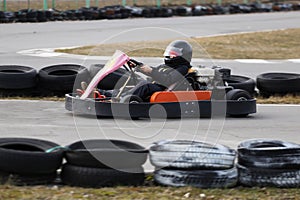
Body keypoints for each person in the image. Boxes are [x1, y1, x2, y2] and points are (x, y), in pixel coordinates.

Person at [124, 40, 193, 102]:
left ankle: (125, 99)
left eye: (173, 54)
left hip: (164, 90)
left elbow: (168, 80)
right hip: (155, 86)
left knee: (146, 86)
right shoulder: (164, 66)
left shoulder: (182, 68)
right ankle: (119, 95)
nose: (170, 56)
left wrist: (151, 71)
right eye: (170, 53)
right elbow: (154, 72)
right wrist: (140, 67)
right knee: (141, 83)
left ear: (184, 56)